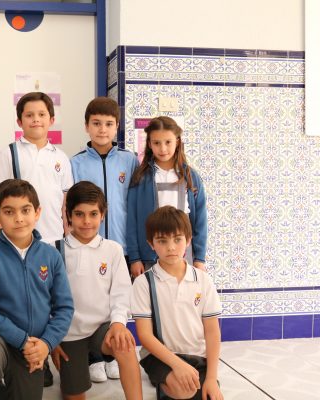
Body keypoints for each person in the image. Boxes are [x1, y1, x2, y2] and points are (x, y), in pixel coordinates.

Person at [0, 179, 74, 400]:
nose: (19, 218)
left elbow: (64, 308)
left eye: (25, 210)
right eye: (9, 212)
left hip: (33, 346)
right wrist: (23, 340)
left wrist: (45, 344)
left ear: (37, 212)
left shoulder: (51, 256)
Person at [51, 181, 142, 400]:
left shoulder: (113, 250)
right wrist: (52, 340)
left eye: (93, 214)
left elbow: (121, 292)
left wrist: (118, 323)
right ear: (68, 215)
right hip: (69, 334)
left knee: (126, 345)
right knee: (74, 395)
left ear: (102, 215)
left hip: (103, 328)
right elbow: (46, 300)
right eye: (79, 214)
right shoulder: (54, 251)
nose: (86, 221)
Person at [70, 96, 139, 382]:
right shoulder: (75, 162)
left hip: (120, 244)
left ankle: (111, 354)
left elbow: (135, 205)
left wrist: (135, 250)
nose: (102, 129)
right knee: (89, 299)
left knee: (119, 298)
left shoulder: (129, 160)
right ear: (86, 126)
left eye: (109, 124)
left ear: (117, 127)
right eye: (96, 123)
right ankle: (93, 357)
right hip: (87, 244)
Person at [132, 206, 222, 400]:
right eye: (162, 241)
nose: (171, 247)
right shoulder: (144, 283)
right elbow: (145, 335)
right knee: (184, 390)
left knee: (208, 393)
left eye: (177, 239)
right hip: (160, 356)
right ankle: (166, 385)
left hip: (198, 357)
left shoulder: (203, 280)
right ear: (151, 243)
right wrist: (178, 365)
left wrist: (211, 378)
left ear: (188, 240)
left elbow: (212, 332)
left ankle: (175, 387)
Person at [127, 116, 208, 278]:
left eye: (168, 142)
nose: (162, 148)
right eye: (157, 143)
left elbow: (200, 220)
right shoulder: (140, 178)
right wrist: (135, 257)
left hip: (184, 256)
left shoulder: (191, 176)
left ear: (177, 141)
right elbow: (132, 220)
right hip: (150, 256)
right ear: (149, 144)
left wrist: (199, 258)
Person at [0, 91, 73, 245]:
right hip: (17, 241)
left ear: (52, 120)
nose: (36, 119)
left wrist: (68, 240)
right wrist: (0, 243)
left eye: (42, 114)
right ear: (19, 122)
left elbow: (65, 206)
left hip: (54, 239)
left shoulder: (61, 158)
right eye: (29, 115)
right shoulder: (8, 154)